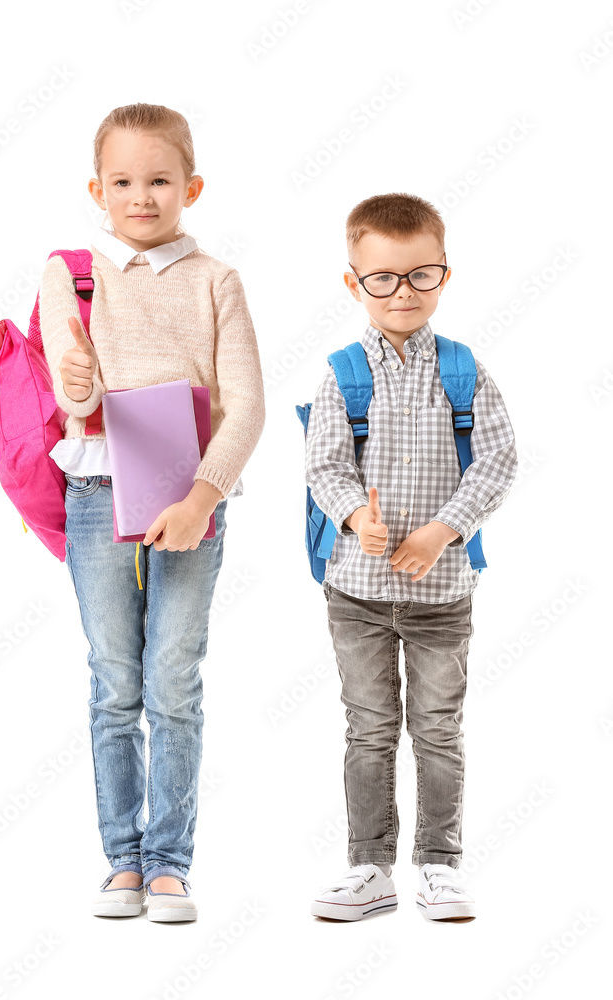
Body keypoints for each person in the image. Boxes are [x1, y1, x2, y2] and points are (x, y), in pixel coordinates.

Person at [38, 103, 265, 922]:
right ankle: (122, 861)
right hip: (99, 492)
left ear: (191, 187)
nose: (142, 196)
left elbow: (246, 406)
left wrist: (202, 497)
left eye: (160, 180)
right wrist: (78, 382)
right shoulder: (72, 272)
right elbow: (81, 401)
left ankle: (169, 861)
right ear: (97, 189)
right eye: (124, 182)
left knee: (173, 679)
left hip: (190, 500)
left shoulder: (217, 281)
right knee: (115, 682)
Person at [305, 192, 517, 922]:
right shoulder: (341, 373)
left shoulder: (463, 371)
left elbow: (496, 462)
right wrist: (355, 514)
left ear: (444, 274)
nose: (403, 292)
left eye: (421, 275)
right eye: (384, 278)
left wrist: (444, 530)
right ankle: (369, 867)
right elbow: (324, 467)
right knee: (367, 729)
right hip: (356, 592)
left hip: (444, 591)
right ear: (354, 282)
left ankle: (440, 864)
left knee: (437, 729)